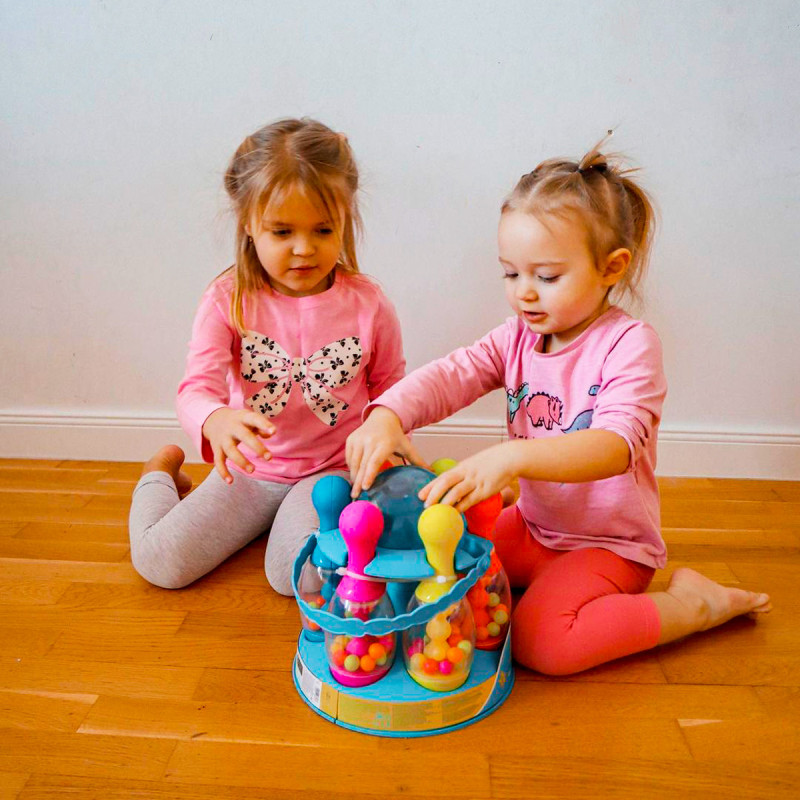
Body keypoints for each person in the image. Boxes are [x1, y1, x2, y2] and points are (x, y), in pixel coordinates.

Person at [346, 140, 771, 675]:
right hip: (533, 527)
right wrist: (388, 414)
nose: (524, 293)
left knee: (541, 642)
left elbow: (614, 447)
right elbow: (452, 374)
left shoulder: (629, 344)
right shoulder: (516, 337)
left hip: (609, 546)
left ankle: (692, 605)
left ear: (611, 267)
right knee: (439, 551)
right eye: (511, 273)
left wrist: (511, 458)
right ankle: (546, 583)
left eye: (546, 277)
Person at [129, 118, 405, 596]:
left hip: (330, 470)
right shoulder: (228, 299)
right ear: (248, 223)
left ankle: (282, 524)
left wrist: (390, 440)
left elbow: (391, 387)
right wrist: (214, 419)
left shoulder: (369, 303)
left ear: (345, 219)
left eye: (323, 229)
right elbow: (196, 388)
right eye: (282, 231)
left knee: (296, 576)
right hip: (251, 471)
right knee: (160, 562)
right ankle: (159, 472)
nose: (304, 249)